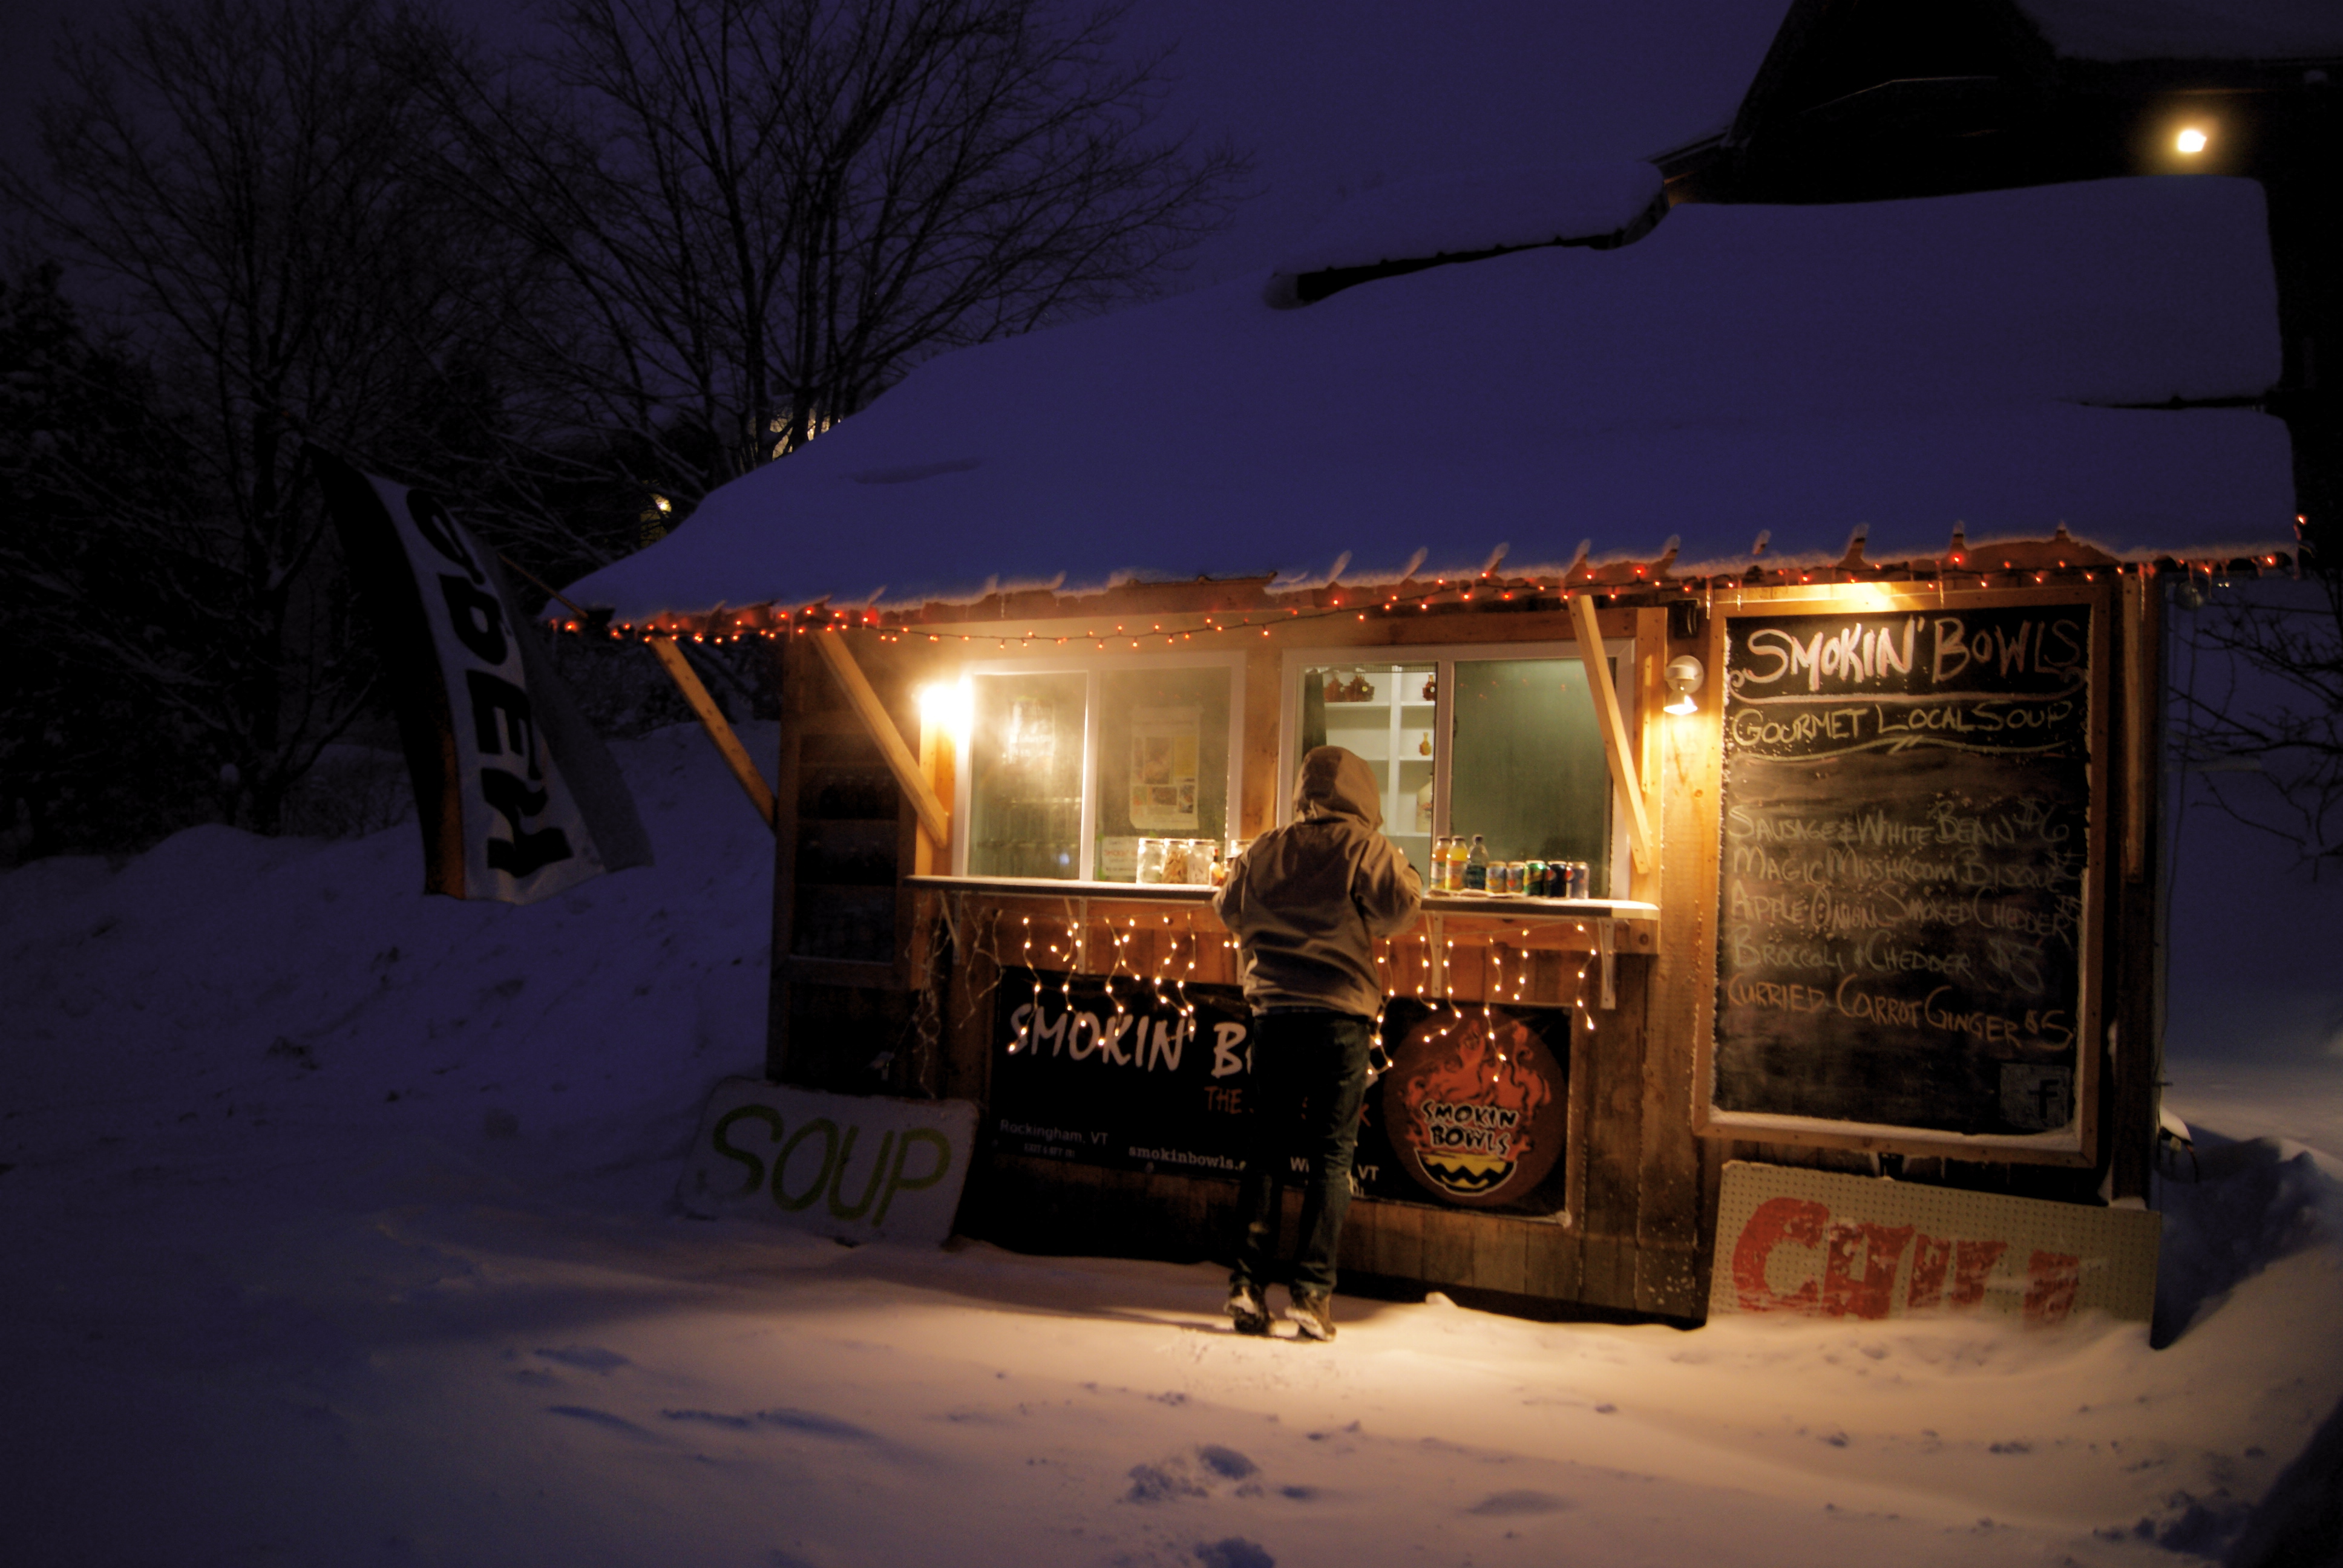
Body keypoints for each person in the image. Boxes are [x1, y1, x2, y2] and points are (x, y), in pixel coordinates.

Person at [1212, 745, 1423, 1340]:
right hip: (1339, 1017)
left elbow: (1228, 912)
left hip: (1274, 1015)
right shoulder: (1364, 846)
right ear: (1364, 794)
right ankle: (1310, 1294)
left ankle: (1246, 1287)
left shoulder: (1264, 848)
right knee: (1332, 1156)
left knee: (1265, 1152)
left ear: (1303, 791)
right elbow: (1400, 909)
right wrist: (1402, 869)